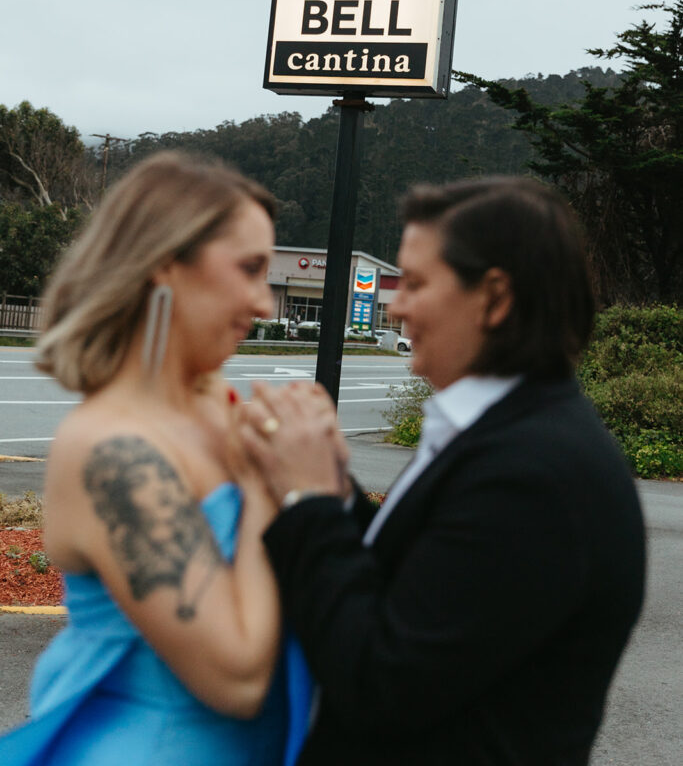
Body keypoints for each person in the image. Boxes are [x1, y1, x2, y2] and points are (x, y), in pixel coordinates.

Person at [241, 176, 646, 766]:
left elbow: (383, 682)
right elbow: (422, 579)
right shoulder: (509, 434)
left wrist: (310, 500)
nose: (396, 303)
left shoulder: (535, 474)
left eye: (418, 284)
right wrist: (329, 482)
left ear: (495, 298)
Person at [0, 152, 312, 766]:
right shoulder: (109, 449)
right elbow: (237, 681)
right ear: (166, 263)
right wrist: (273, 492)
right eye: (249, 270)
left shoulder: (225, 408)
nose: (264, 304)